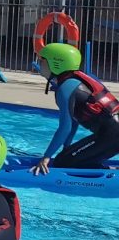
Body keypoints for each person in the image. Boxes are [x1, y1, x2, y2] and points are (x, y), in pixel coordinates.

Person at [32, 43, 119, 172]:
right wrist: (67, 148)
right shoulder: (76, 80)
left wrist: (46, 157)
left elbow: (64, 128)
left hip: (113, 134)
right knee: (67, 156)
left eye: (42, 60)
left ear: (56, 64)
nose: (39, 63)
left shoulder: (65, 88)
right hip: (112, 133)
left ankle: (108, 173)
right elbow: (74, 122)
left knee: (62, 162)